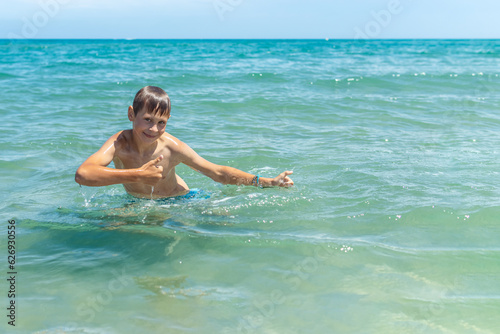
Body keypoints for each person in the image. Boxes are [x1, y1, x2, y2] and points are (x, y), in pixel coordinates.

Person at [75, 86, 294, 198]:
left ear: (168, 121)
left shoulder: (172, 147)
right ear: (132, 114)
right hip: (137, 203)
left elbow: (217, 173)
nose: (153, 129)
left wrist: (267, 182)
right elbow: (83, 174)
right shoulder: (120, 143)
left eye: (161, 123)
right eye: (147, 120)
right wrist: (139, 175)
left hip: (181, 200)